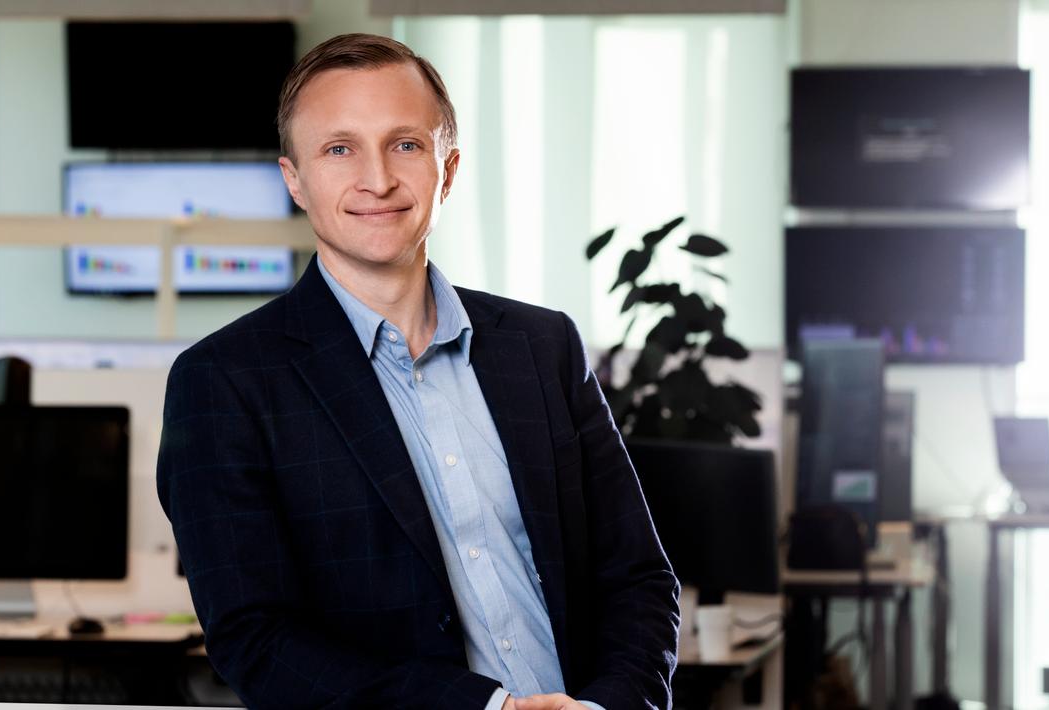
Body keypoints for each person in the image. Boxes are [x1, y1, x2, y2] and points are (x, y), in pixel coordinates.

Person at [157, 32, 680, 710]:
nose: (377, 179)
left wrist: (607, 707)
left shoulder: (543, 347)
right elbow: (256, 639)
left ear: (448, 169)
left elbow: (638, 578)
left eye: (404, 144)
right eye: (339, 149)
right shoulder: (224, 382)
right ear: (295, 180)